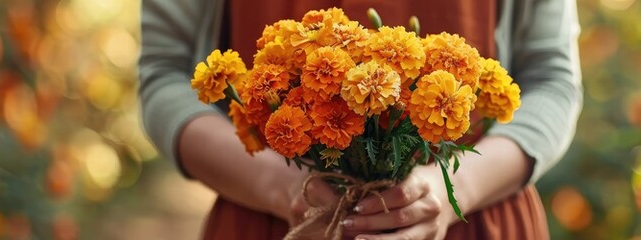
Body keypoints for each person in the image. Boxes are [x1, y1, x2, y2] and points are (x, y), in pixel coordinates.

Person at [138, 0, 581, 239]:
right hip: (274, 219)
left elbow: (552, 80)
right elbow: (164, 74)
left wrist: (457, 188)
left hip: (474, 218)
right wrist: (279, 187)